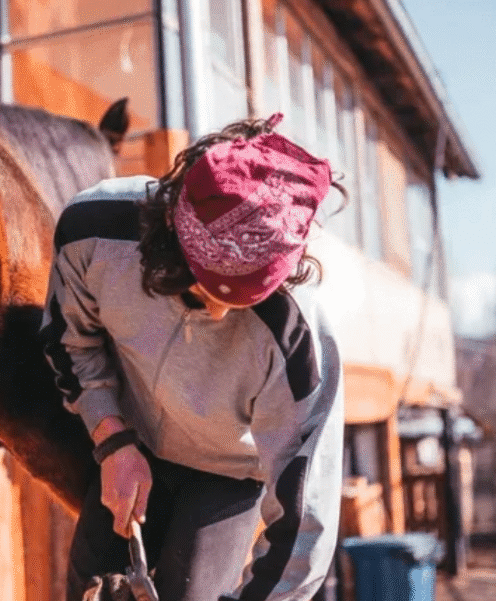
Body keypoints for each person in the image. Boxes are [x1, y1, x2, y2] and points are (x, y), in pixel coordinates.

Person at [40, 114, 346, 601]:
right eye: (201, 293)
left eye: (240, 304)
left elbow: (305, 523)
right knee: (92, 588)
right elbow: (72, 343)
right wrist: (111, 438)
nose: (219, 315)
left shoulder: (298, 341)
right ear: (170, 234)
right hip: (132, 435)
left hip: (229, 471)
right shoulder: (91, 231)